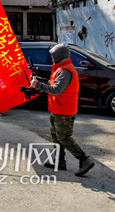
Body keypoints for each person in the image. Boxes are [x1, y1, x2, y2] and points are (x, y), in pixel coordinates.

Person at [31, 43, 95, 176]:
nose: (52, 58)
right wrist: (43, 81)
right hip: (58, 108)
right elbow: (55, 84)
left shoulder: (65, 70)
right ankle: (59, 161)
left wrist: (38, 84)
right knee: (56, 136)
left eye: (53, 56)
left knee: (64, 137)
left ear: (60, 56)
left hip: (64, 110)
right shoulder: (61, 68)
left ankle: (85, 160)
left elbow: (57, 89)